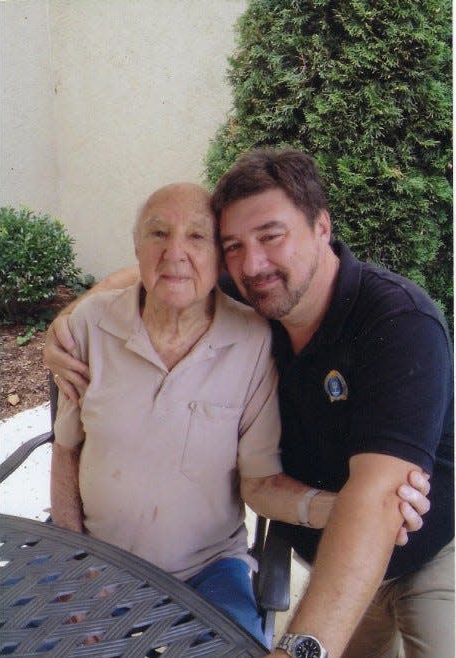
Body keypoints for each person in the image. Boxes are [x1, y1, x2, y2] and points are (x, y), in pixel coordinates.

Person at [45, 171, 434, 655]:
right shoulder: (91, 325)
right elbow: (65, 449)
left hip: (220, 568)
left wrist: (343, 511)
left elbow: (271, 484)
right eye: (157, 233)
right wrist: (75, 560)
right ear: (138, 245)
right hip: (97, 557)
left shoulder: (261, 336)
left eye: (197, 237)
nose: (175, 252)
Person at [210, 148, 454, 658]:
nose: (251, 264)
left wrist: (301, 648)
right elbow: (166, 269)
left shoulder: (398, 322)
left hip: (433, 550)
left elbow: (382, 498)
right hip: (336, 557)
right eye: (232, 246)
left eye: (271, 236)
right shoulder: (255, 299)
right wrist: (71, 323)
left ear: (321, 227)